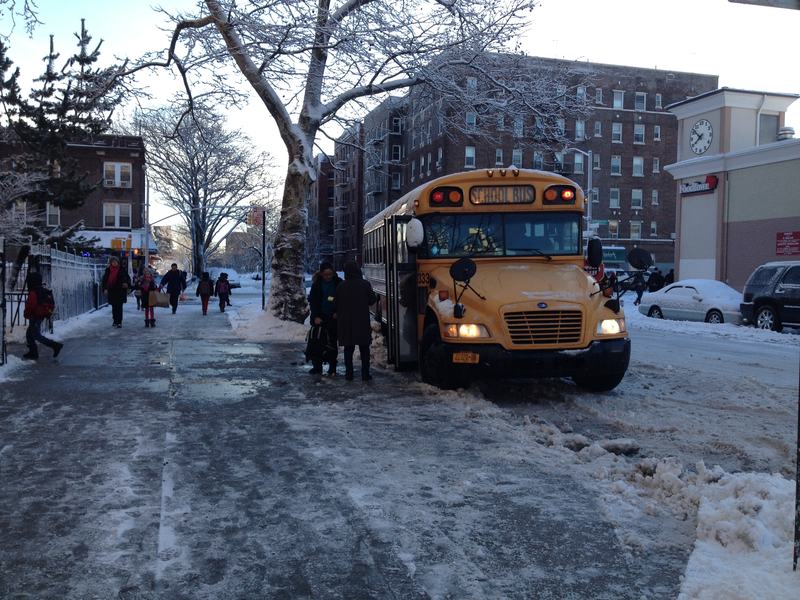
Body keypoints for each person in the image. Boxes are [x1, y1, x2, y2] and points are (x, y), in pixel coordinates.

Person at [336, 261, 377, 381]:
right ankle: (365, 374)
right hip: (362, 321)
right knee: (364, 349)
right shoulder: (365, 284)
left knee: (348, 349)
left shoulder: (341, 286)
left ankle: (349, 374)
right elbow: (372, 300)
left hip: (346, 322)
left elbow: (335, 302)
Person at [308, 261, 342, 375]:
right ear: (321, 274)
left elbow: (342, 300)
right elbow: (313, 302)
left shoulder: (338, 283)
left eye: (330, 274)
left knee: (332, 343)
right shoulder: (317, 285)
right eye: (326, 274)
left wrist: (337, 312)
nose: (328, 277)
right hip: (319, 317)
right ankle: (317, 366)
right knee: (317, 342)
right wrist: (315, 316)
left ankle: (332, 367)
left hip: (333, 318)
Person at [22, 272, 63, 360]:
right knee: (29, 334)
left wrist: (26, 314)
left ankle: (55, 346)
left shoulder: (33, 292)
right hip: (40, 315)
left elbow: (31, 305)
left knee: (36, 335)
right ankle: (33, 352)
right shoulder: (42, 290)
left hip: (35, 315)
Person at [102, 256, 132, 328]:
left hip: (120, 290)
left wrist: (127, 284)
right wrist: (105, 288)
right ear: (111, 263)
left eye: (115, 262)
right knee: (114, 307)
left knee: (119, 307)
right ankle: (115, 320)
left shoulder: (121, 270)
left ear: (118, 262)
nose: (114, 263)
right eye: (113, 262)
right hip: (112, 290)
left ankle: (119, 322)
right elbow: (104, 280)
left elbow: (127, 278)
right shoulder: (108, 270)